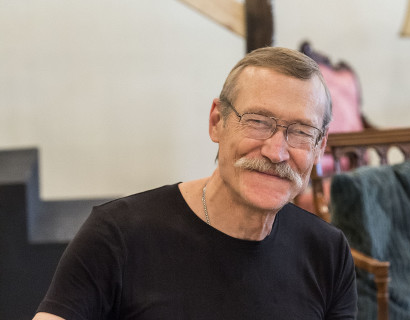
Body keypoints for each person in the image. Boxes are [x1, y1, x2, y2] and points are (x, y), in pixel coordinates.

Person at [33, 47, 357, 320]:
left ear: (320, 146)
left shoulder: (328, 252)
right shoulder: (117, 236)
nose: (276, 151)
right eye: (258, 122)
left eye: (301, 131)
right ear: (217, 122)